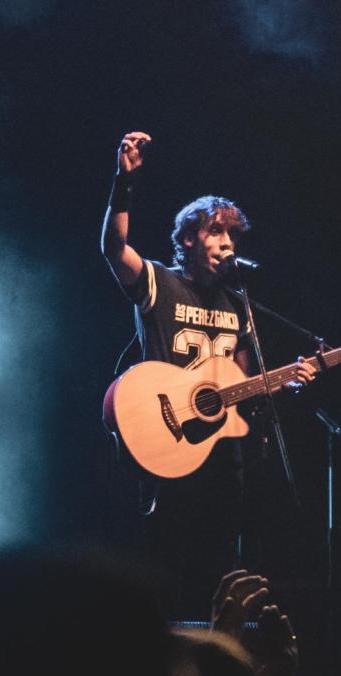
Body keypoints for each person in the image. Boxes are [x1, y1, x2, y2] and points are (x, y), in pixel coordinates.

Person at [101, 130, 316, 613]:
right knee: (166, 566)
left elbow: (239, 385)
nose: (226, 243)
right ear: (188, 239)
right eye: (216, 232)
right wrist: (124, 183)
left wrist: (283, 381)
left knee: (222, 567)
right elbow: (114, 249)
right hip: (167, 441)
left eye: (233, 235)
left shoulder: (239, 305)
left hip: (221, 455)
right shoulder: (160, 281)